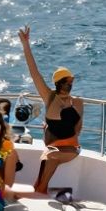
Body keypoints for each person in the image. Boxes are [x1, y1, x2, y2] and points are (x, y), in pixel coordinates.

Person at [18, 25, 83, 193]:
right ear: (59, 83)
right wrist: (26, 45)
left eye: (71, 81)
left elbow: (77, 130)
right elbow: (34, 73)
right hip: (53, 147)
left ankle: (40, 191)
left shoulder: (77, 102)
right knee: (49, 158)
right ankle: (41, 191)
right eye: (68, 81)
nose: (70, 84)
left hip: (71, 147)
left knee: (50, 157)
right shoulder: (49, 97)